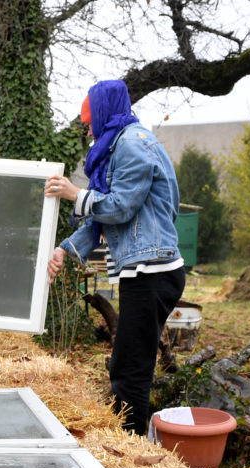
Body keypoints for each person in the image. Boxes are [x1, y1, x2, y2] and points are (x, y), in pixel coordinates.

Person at [44, 80, 184, 436]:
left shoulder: (133, 145)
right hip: (144, 269)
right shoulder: (118, 145)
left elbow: (120, 206)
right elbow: (102, 217)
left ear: (105, 114)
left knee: (131, 366)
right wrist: (64, 249)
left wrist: (76, 193)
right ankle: (128, 439)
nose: (88, 130)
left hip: (152, 271)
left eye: (90, 121)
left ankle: (130, 446)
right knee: (126, 359)